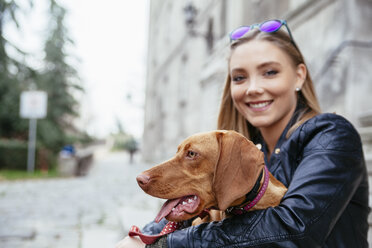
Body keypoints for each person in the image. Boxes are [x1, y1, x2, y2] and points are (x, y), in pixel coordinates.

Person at [116, 19, 369, 248]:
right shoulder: (238, 149)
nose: (253, 88)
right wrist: (142, 237)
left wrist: (165, 245)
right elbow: (185, 202)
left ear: (299, 76)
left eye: (270, 72)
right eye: (239, 77)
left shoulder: (331, 136)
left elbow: (295, 229)